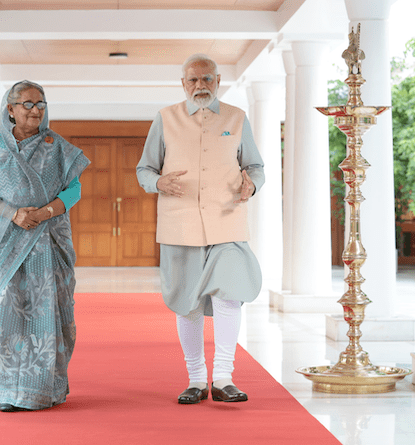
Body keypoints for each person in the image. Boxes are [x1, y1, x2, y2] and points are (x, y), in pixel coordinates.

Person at [136, 54, 264, 404]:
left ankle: (223, 378)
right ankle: (195, 379)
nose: (200, 86)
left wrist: (252, 184)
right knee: (188, 305)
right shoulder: (165, 119)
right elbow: (144, 170)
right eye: (193, 80)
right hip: (180, 226)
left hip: (227, 222)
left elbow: (255, 166)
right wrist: (159, 182)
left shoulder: (237, 118)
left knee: (229, 296)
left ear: (218, 81)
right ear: (183, 84)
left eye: (207, 79)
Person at [0, 80, 90, 413]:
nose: (35, 110)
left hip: (48, 244)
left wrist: (44, 212)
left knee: (49, 315)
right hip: (7, 244)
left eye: (40, 104)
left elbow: (74, 191)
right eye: (27, 104)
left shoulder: (57, 147)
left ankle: (45, 390)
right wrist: (14, 214)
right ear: (10, 109)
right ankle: (8, 392)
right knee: (7, 315)